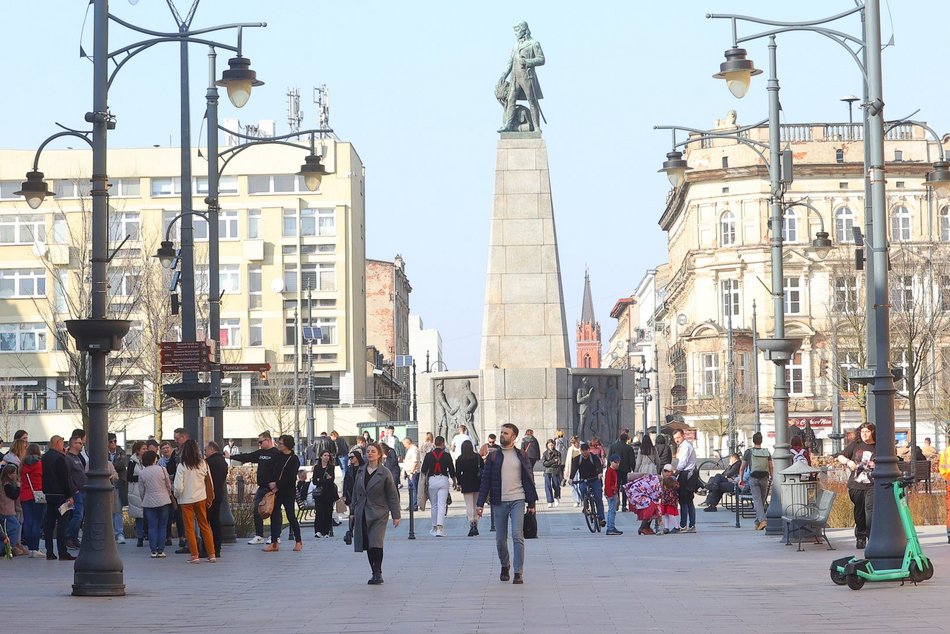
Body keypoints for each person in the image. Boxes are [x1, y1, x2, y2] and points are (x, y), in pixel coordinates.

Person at [476, 423, 538, 584]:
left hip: (518, 499)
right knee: (500, 539)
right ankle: (505, 565)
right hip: (499, 501)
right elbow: (485, 481)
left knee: (518, 535)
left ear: (514, 437)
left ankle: (518, 572)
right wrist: (480, 503)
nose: (502, 435)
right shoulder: (493, 456)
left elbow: (529, 479)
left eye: (506, 433)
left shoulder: (522, 455)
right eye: (502, 432)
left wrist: (531, 503)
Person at [351, 442, 401, 585]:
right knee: (367, 543)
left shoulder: (384, 472)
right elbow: (355, 492)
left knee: (376, 542)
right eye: (368, 451)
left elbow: (392, 494)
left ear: (379, 454)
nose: (370, 453)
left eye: (373, 451)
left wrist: (396, 515)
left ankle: (378, 572)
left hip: (379, 512)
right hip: (362, 511)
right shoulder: (361, 471)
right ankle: (373, 571)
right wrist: (353, 511)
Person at [231, 431, 281, 545]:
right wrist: (231, 456)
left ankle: (276, 536)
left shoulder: (276, 453)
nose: (259, 444)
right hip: (262, 487)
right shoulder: (260, 453)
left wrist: (276, 485)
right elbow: (247, 457)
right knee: (256, 509)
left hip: (272, 488)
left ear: (268, 440)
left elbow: (279, 470)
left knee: (274, 511)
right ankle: (259, 535)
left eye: (260, 442)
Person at [173, 439, 216, 564]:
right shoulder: (203, 463)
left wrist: (177, 496)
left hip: (186, 500)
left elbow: (178, 487)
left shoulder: (182, 466)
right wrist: (209, 497)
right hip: (201, 498)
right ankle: (212, 553)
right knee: (204, 525)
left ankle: (194, 555)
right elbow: (209, 482)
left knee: (189, 528)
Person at [836, 422, 876, 549]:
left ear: (873, 432)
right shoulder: (856, 444)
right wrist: (848, 462)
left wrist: (877, 465)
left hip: (872, 484)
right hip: (856, 484)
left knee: (870, 511)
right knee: (859, 511)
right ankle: (860, 537)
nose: (865, 434)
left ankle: (871, 537)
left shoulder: (879, 446)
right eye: (862, 431)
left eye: (867, 431)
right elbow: (840, 456)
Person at [263, 435, 303, 552]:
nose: (278, 445)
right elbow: (271, 471)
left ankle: (298, 541)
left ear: (287, 445)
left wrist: (277, 485)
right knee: (274, 516)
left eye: (280, 443)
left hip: (287, 492)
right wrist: (271, 483)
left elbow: (291, 478)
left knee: (291, 516)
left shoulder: (294, 459)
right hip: (275, 492)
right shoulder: (277, 456)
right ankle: (274, 542)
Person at [41, 436, 75, 560]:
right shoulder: (60, 458)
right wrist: (69, 495)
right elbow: (64, 479)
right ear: (57, 443)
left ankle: (49, 551)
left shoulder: (44, 457)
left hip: (48, 495)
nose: (63, 446)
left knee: (48, 524)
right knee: (62, 524)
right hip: (60, 496)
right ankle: (62, 551)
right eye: (62, 443)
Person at [137, 449, 173, 558]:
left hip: (149, 502)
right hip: (163, 500)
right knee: (162, 526)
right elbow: (168, 486)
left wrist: (145, 498)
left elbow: (141, 490)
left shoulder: (142, 473)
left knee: (152, 527)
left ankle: (153, 551)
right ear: (154, 459)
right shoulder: (162, 469)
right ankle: (161, 550)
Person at [421, 435, 456, 537]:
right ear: (443, 443)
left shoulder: (428, 455)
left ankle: (434, 527)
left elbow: (423, 470)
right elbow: (452, 470)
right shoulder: (446, 455)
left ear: (434, 443)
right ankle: (440, 528)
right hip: (443, 479)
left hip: (432, 480)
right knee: (442, 505)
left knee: (434, 505)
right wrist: (454, 481)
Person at [739, 432, 772, 530]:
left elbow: (742, 468)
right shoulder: (767, 452)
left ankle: (762, 520)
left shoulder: (748, 452)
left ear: (753, 441)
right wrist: (772, 477)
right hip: (765, 478)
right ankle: (757, 522)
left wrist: (741, 479)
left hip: (753, 478)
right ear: (761, 441)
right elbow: (771, 466)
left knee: (757, 500)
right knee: (761, 500)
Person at [570, 442, 605, 527]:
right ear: (581, 451)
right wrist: (571, 478)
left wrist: (600, 473)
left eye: (586, 451)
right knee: (582, 489)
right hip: (584, 480)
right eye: (583, 451)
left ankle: (601, 518)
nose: (585, 453)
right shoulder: (577, 459)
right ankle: (586, 506)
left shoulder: (594, 457)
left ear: (589, 450)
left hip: (594, 479)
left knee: (598, 498)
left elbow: (599, 465)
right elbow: (574, 469)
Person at [20, 443, 45, 557]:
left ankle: (30, 548)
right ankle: (35, 548)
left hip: (25, 494)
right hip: (38, 494)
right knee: (37, 522)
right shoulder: (40, 463)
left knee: (28, 521)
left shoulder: (22, 464)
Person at [455, 440, 484, 537]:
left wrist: (459, 483)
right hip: (477, 481)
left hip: (466, 481)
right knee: (476, 504)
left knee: (469, 504)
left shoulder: (460, 459)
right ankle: (476, 522)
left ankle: (471, 522)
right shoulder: (477, 457)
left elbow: (458, 472)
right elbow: (483, 468)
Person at [204, 442, 228, 558]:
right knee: (215, 523)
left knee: (205, 523)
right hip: (218, 495)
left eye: (206, 450)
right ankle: (217, 548)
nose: (204, 452)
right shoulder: (223, 462)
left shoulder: (208, 463)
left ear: (212, 449)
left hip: (208, 496)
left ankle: (206, 548)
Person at [64, 435, 87, 549]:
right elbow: (68, 477)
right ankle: (69, 537)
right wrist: (74, 491)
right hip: (76, 491)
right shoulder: (68, 458)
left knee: (79, 516)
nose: (82, 445)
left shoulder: (77, 458)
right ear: (73, 444)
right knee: (77, 515)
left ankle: (73, 538)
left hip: (82, 490)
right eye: (79, 443)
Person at [672, 430, 697, 533]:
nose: (677, 440)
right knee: (689, 500)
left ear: (683, 436)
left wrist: (675, 473)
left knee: (683, 500)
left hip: (686, 474)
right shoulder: (685, 445)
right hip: (690, 473)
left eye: (678, 437)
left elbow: (683, 462)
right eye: (675, 438)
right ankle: (692, 525)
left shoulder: (685, 446)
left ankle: (683, 525)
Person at [312, 449, 339, 539]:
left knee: (328, 512)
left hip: (329, 493)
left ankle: (326, 531)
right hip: (319, 494)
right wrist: (323, 480)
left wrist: (321, 480)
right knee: (319, 512)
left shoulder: (331, 467)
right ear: (321, 457)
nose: (327, 457)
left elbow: (331, 480)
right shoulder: (316, 467)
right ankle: (318, 531)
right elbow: (315, 481)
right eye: (325, 455)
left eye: (328, 455)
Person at [108, 433, 128, 544]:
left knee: (118, 509)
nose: (113, 443)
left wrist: (109, 465)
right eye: (111, 441)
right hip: (107, 484)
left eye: (115, 441)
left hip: (118, 485)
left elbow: (122, 464)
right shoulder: (102, 452)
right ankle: (110, 533)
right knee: (108, 511)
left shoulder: (121, 452)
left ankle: (119, 533)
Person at [126, 441, 147, 547]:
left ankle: (148, 535)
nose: (145, 450)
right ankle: (139, 537)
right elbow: (129, 476)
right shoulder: (132, 461)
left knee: (148, 514)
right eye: (143, 449)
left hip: (147, 489)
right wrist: (142, 477)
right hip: (136, 490)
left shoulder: (148, 459)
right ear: (138, 450)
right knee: (139, 516)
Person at [341, 450, 363, 545]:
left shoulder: (363, 468)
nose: (350, 459)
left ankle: (360, 529)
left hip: (361, 494)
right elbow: (345, 482)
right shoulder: (349, 469)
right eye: (349, 458)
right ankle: (350, 530)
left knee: (360, 512)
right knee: (352, 512)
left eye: (352, 457)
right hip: (350, 493)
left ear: (357, 457)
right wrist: (344, 495)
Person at [604, 455, 623, 535]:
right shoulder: (610, 471)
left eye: (618, 462)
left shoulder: (613, 471)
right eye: (615, 462)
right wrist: (610, 494)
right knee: (612, 510)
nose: (617, 464)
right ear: (611, 462)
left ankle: (611, 526)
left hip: (613, 492)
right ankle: (610, 528)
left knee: (612, 510)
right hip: (611, 493)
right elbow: (607, 483)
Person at [659, 465, 680, 534]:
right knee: (666, 515)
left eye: (668, 471)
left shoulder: (672, 479)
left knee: (670, 514)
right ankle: (666, 528)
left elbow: (676, 488)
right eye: (665, 471)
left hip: (670, 501)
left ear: (671, 472)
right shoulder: (664, 479)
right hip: (665, 500)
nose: (667, 473)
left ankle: (676, 527)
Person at [562, 436, 582, 507]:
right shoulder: (570, 449)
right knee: (574, 485)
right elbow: (568, 460)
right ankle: (576, 500)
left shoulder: (582, 448)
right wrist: (566, 470)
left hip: (581, 469)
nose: (573, 444)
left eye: (574, 443)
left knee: (581, 485)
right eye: (572, 443)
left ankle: (582, 498)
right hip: (573, 469)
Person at [402, 437, 420, 512]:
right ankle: (411, 504)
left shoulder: (414, 449)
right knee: (411, 489)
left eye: (404, 444)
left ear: (408, 442)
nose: (404, 446)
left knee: (414, 489)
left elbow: (415, 461)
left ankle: (414, 505)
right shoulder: (410, 449)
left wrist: (412, 472)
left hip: (413, 472)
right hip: (409, 472)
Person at [541, 439, 562, 508]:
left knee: (556, 485)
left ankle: (556, 497)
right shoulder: (545, 453)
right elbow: (544, 463)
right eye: (549, 445)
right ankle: (550, 501)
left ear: (554, 445)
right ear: (547, 445)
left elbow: (558, 463)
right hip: (547, 471)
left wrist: (549, 462)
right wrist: (553, 461)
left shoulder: (557, 453)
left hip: (555, 471)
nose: (551, 446)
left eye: (552, 445)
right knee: (547, 486)